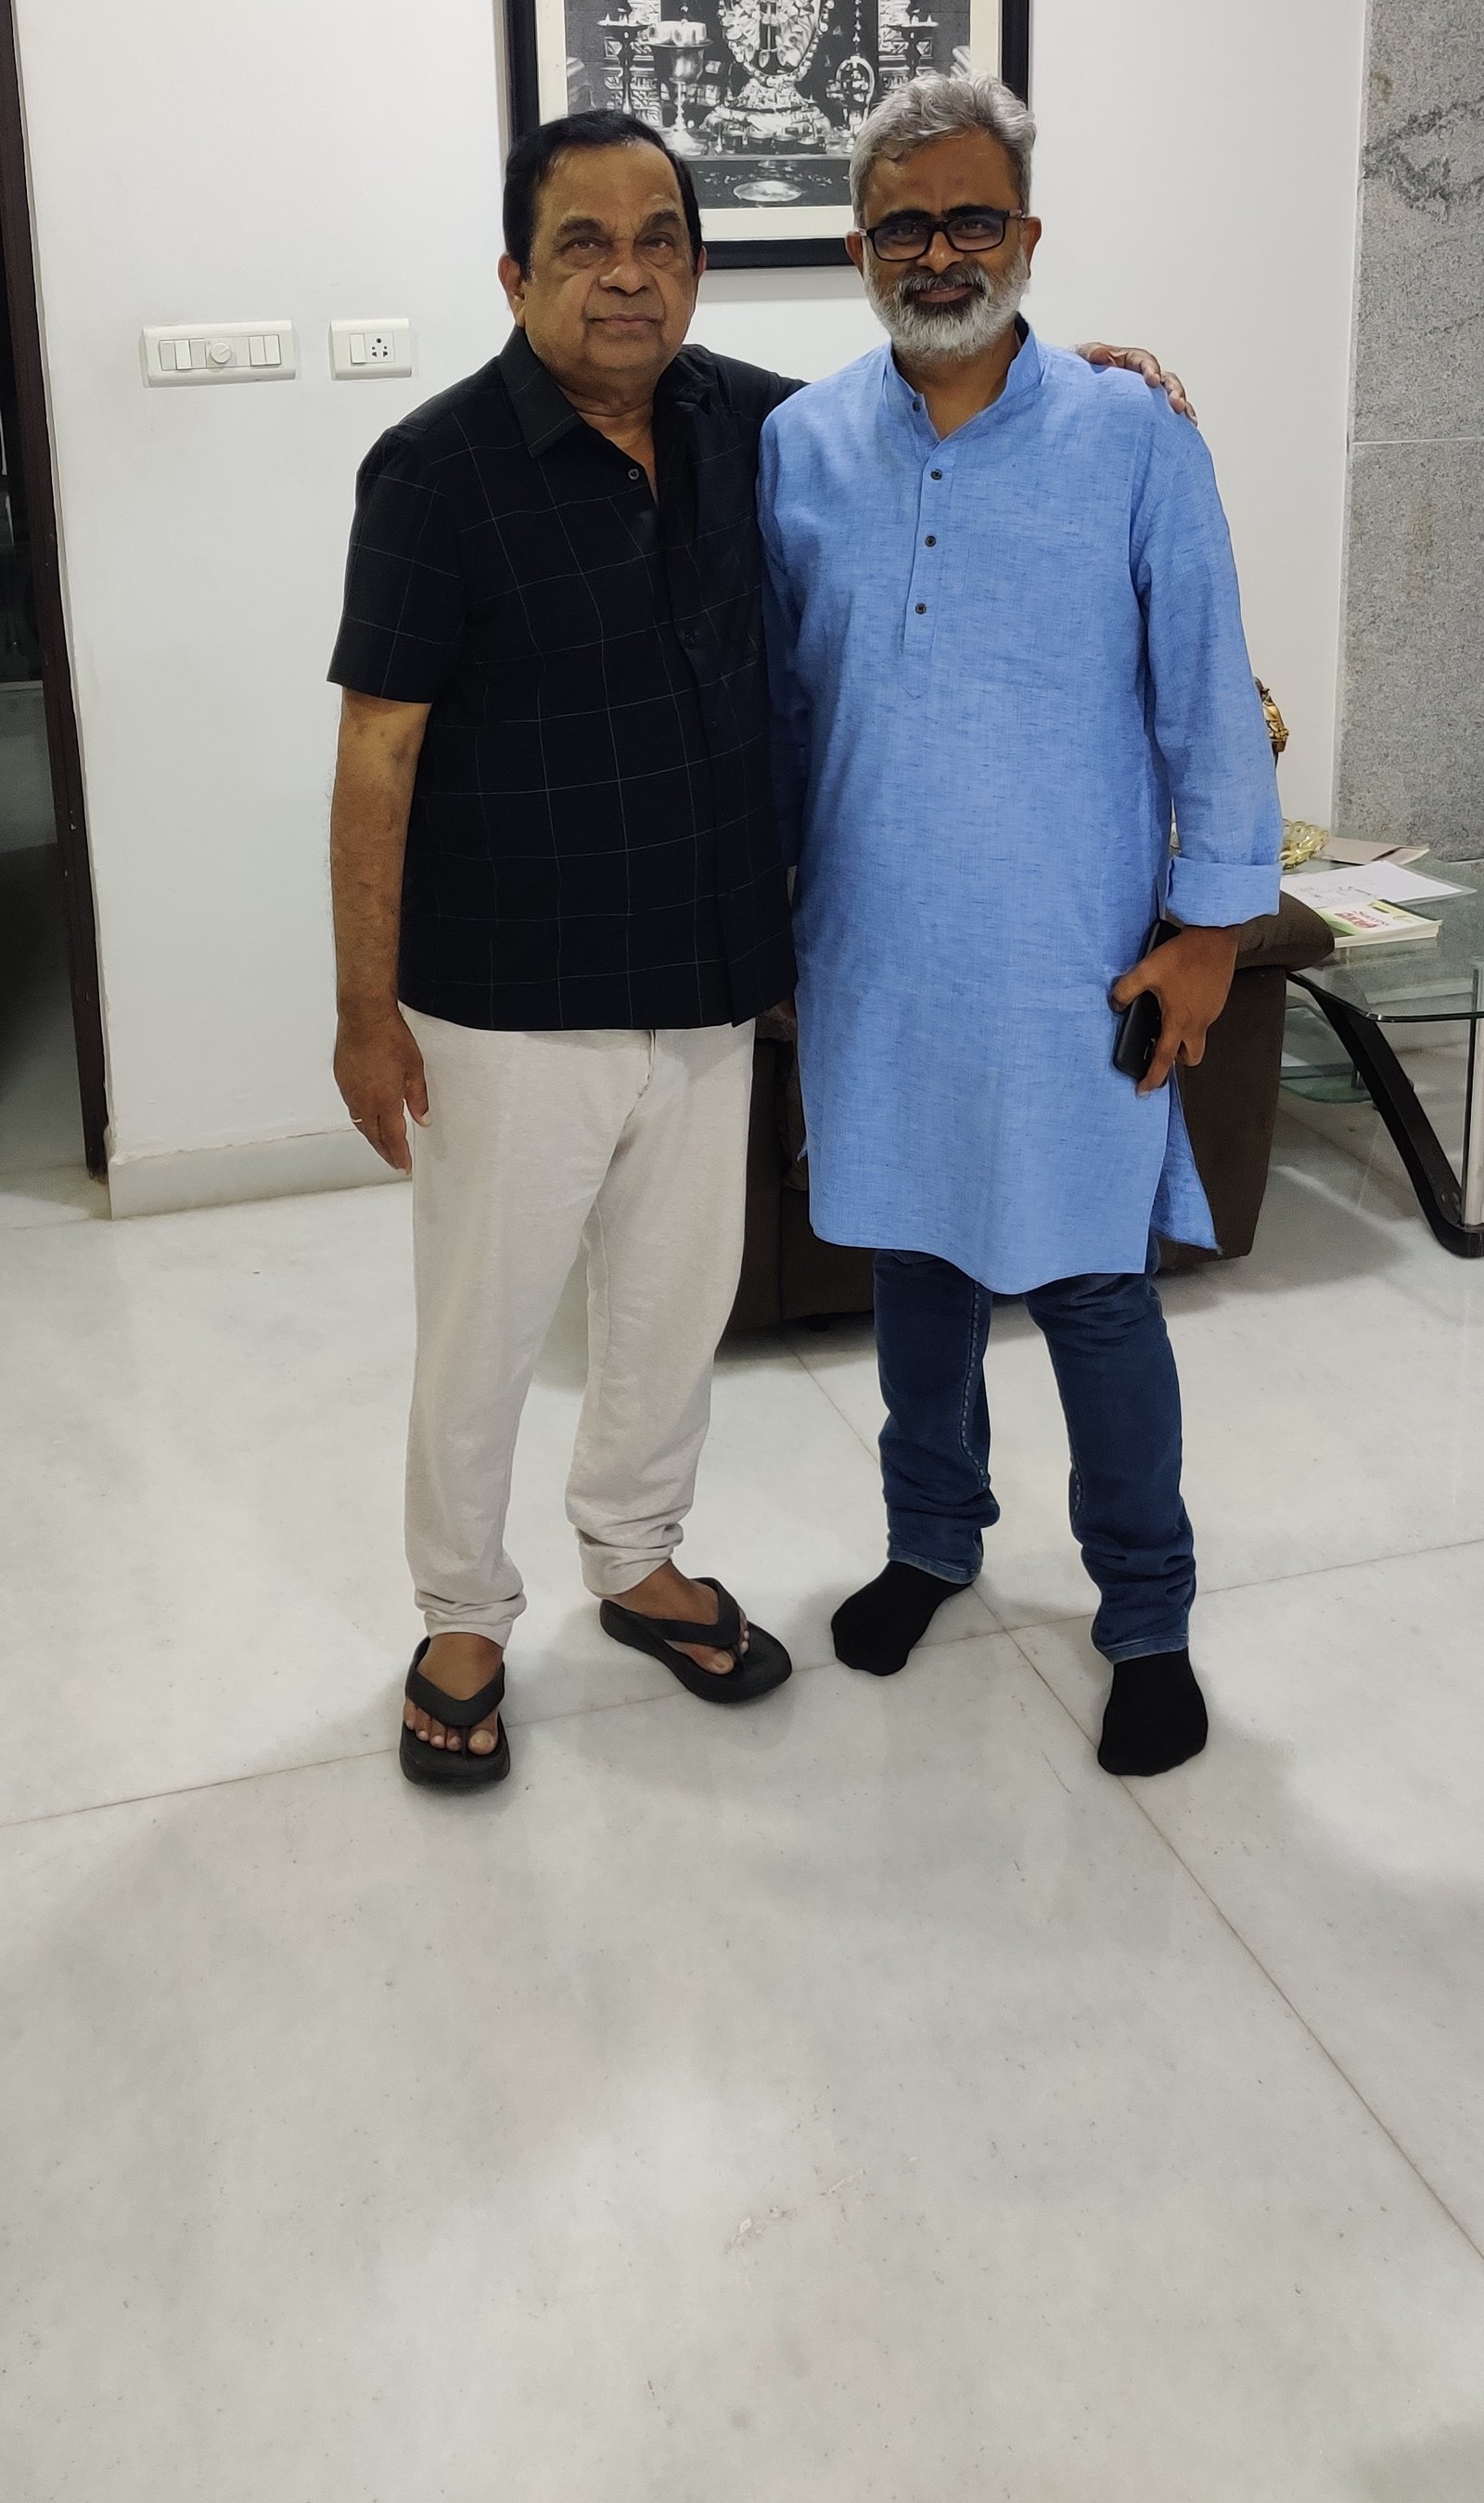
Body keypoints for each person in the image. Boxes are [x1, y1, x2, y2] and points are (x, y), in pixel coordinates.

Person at [327, 108, 1194, 1793]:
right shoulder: (433, 469)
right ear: (513, 273)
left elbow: (939, 404)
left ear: (700, 268)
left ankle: (636, 1556)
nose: (626, 275)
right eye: (584, 244)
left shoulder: (755, 427)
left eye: (659, 240)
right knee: (484, 1332)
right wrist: (367, 1010)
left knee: (670, 1316)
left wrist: (1080, 375)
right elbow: (378, 750)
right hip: (507, 1000)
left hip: (714, 981)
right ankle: (463, 1618)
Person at [757, 72, 1282, 1778]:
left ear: (1029, 234)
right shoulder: (798, 447)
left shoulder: (1134, 437)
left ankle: (1148, 1614)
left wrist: (1210, 931)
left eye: (972, 217)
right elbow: (782, 712)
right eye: (903, 224)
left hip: (1074, 966)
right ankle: (931, 1540)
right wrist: (766, 930)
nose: (940, 252)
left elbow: (1209, 692)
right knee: (913, 1270)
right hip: (877, 962)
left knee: (1094, 1292)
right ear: (857, 249)